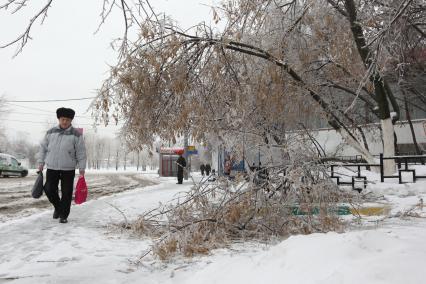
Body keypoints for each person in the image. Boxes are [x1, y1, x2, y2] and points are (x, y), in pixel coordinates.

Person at [37, 107, 87, 224]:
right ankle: (58, 208)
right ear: (59, 119)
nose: (65, 122)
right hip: (52, 167)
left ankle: (63, 215)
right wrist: (41, 162)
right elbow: (43, 148)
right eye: (63, 119)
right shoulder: (50, 132)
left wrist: (82, 168)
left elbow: (81, 152)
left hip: (68, 168)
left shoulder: (76, 134)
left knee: (67, 192)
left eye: (67, 120)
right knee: (49, 189)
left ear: (71, 121)